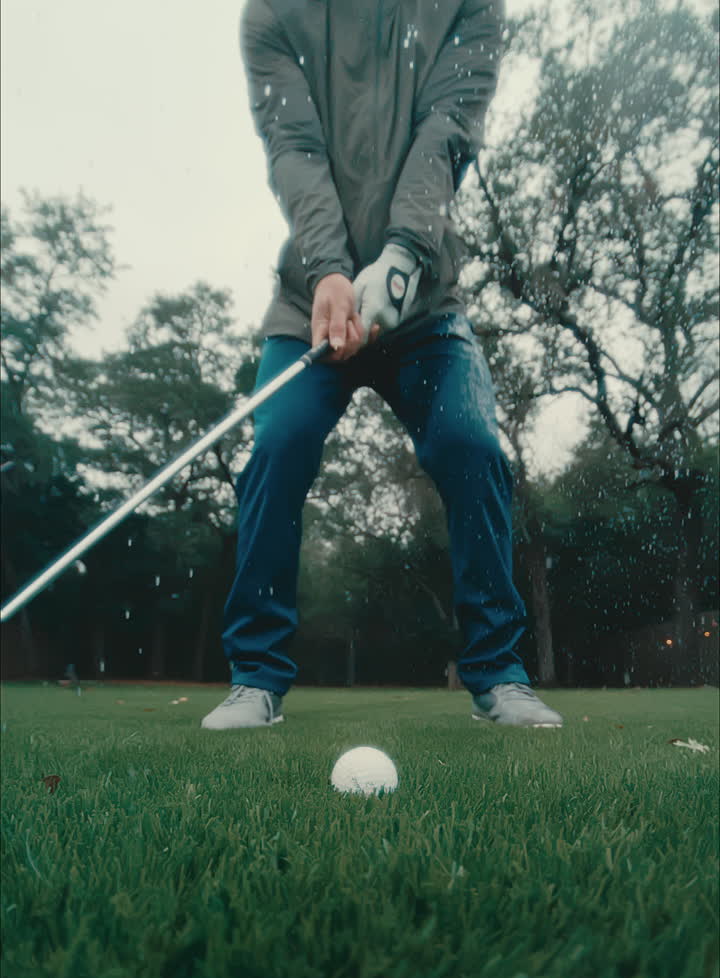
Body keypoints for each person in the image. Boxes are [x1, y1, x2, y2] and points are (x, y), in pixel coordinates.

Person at [202, 0, 562, 730]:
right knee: (277, 445)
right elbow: (293, 148)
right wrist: (331, 270)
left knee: (470, 445)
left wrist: (403, 252)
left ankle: (498, 672)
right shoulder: (271, 13)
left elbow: (448, 127)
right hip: (314, 302)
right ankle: (257, 677)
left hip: (424, 303)